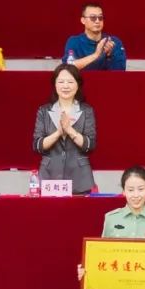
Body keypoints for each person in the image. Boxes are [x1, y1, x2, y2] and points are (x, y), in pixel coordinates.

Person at [32, 64, 97, 195]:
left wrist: (70, 130)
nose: (65, 86)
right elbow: (38, 146)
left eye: (70, 82)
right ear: (55, 85)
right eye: (61, 82)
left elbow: (90, 145)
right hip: (50, 176)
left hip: (79, 178)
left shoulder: (87, 110)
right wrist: (58, 133)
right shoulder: (44, 111)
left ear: (77, 85)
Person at [62, 2, 127, 71]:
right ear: (83, 20)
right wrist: (96, 55)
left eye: (100, 17)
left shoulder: (114, 42)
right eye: (93, 17)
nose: (97, 21)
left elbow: (121, 72)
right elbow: (68, 67)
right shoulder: (74, 41)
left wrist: (109, 56)